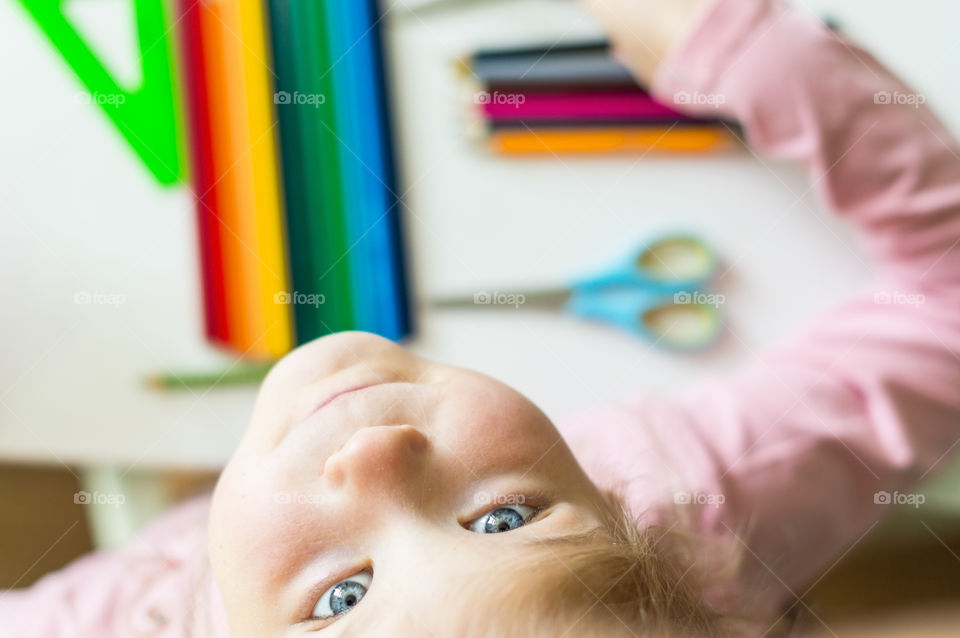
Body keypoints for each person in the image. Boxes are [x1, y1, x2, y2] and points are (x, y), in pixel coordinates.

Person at [3, 0, 959, 635]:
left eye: (343, 598)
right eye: (503, 519)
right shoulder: (685, 512)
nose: (377, 456)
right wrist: (751, 51)